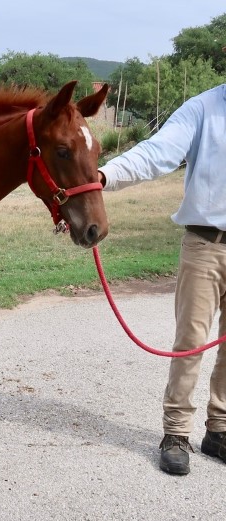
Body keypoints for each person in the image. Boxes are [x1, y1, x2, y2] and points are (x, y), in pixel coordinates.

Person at [98, 82, 226, 476]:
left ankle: (219, 429)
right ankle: (176, 434)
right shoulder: (203, 109)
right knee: (191, 341)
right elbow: (156, 153)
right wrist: (103, 177)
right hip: (207, 243)